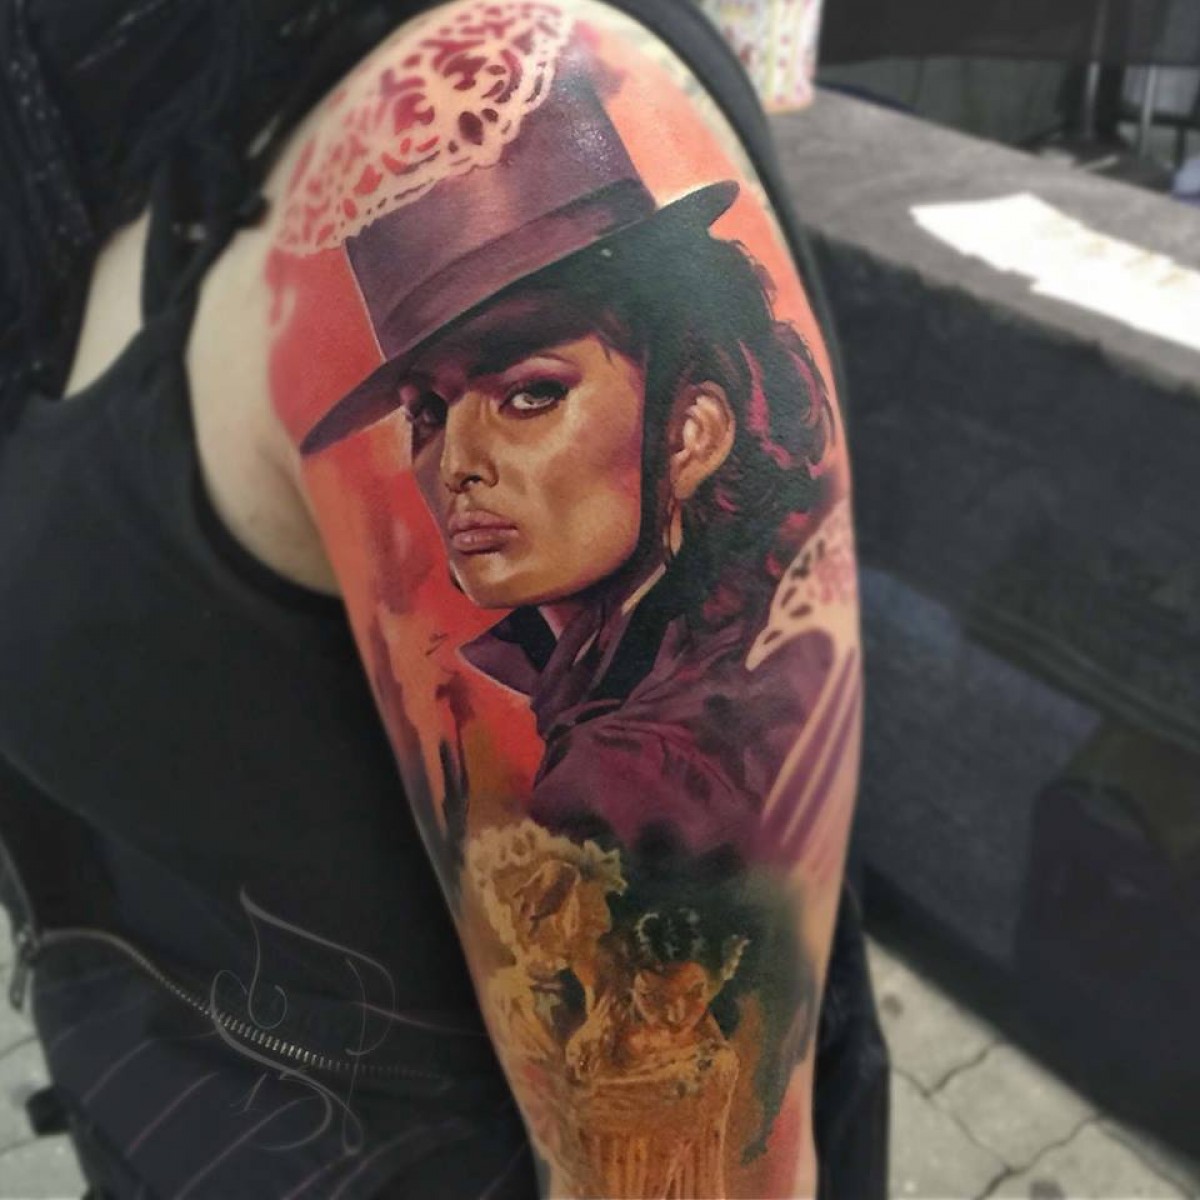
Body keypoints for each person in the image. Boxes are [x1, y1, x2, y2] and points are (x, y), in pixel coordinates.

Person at [0, 0, 888, 1195]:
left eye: (528, 393)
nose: (454, 462)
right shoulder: (106, 107)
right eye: (425, 410)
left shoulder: (650, 774)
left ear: (692, 429)